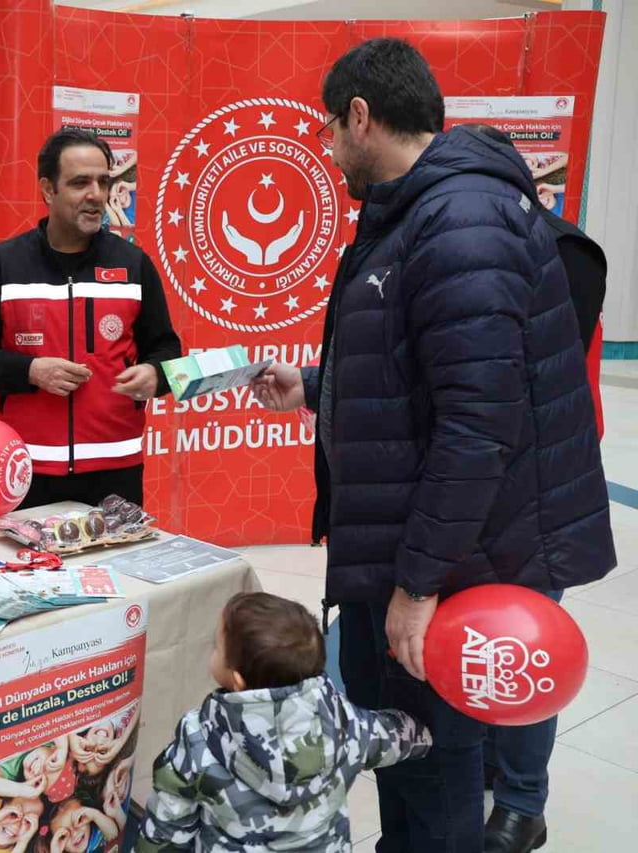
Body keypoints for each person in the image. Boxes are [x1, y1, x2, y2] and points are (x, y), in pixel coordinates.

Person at [251, 38, 615, 853]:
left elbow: (477, 427)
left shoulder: (460, 221)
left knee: (438, 764)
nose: (328, 148)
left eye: (328, 128)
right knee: (408, 756)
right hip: (420, 546)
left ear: (359, 116)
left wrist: (417, 584)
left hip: (454, 566)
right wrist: (313, 384)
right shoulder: (422, 214)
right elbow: (420, 368)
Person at [468, 123, 608, 852]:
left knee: (526, 641)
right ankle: (490, 764)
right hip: (472, 474)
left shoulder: (566, 252)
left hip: (538, 477)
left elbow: (522, 377)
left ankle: (524, 799)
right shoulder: (467, 244)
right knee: (477, 635)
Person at [0, 128, 182, 509]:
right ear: (48, 190)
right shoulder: (4, 263)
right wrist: (31, 370)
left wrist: (154, 374)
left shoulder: (133, 264)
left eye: (103, 182)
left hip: (116, 469)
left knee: (119, 553)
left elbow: (166, 349)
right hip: (26, 467)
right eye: (80, 183)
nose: (96, 194)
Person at [137, 592, 431, 853]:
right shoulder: (343, 721)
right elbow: (394, 737)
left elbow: (168, 823)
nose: (212, 651)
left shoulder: (198, 736)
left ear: (237, 680)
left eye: (217, 647)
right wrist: (426, 732)